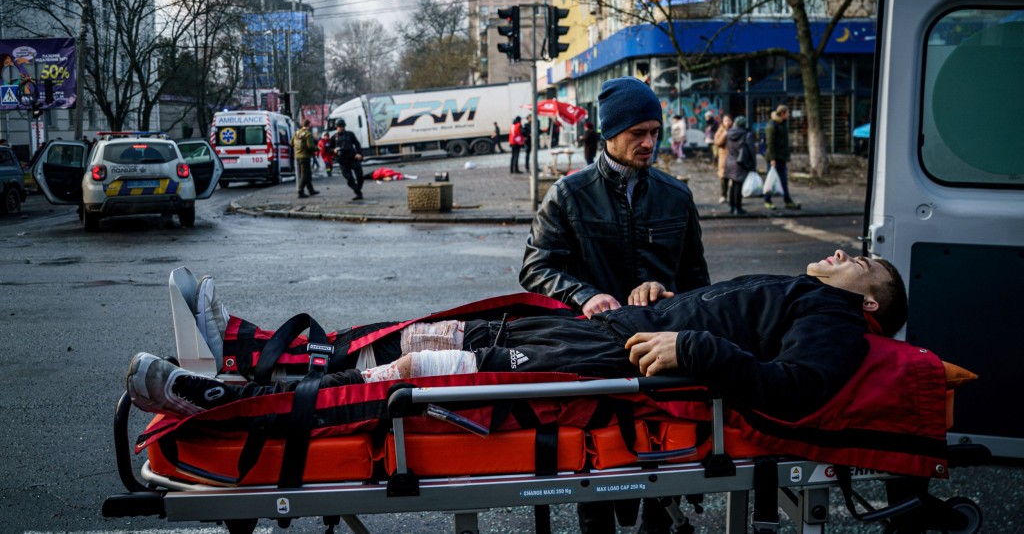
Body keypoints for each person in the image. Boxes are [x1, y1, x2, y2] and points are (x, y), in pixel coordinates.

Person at [127, 248, 908, 431]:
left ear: (871, 306)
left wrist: (693, 350)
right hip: (605, 330)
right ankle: (243, 345)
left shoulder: (836, 324)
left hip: (604, 360)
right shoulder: (810, 296)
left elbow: (798, 392)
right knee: (422, 331)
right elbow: (723, 320)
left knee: (424, 367)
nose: (841, 256)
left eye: (860, 263)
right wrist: (662, 303)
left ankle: (236, 401)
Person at [521, 76, 709, 533]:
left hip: (662, 349)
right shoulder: (568, 194)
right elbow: (535, 268)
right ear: (609, 134)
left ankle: (656, 521)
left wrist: (667, 294)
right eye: (637, 134)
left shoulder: (676, 195)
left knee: (661, 456)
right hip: (595, 349)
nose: (649, 143)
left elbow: (697, 283)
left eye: (654, 131)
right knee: (597, 464)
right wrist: (585, 295)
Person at [764, 104, 800, 210]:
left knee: (783, 180)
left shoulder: (782, 124)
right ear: (782, 113)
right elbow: (770, 143)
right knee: (771, 180)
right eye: (788, 113)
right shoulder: (772, 125)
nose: (789, 115)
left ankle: (787, 200)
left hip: (781, 157)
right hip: (775, 157)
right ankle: (768, 200)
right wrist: (772, 158)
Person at [725, 115, 756, 215]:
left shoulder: (729, 133)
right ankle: (738, 208)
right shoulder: (747, 134)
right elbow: (751, 150)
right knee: (738, 185)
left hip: (730, 161)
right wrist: (753, 164)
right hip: (741, 162)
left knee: (733, 184)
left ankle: (731, 206)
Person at [329, 120, 365, 201]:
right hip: (342, 161)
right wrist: (333, 150)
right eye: (339, 127)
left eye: (342, 127)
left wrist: (360, 154)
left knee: (360, 176)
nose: (341, 128)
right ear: (336, 127)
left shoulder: (350, 134)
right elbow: (329, 148)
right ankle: (358, 193)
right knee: (349, 178)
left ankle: (358, 189)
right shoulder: (334, 137)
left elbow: (357, 144)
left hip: (353, 158)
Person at [291, 119, 319, 199]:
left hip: (299, 156)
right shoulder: (307, 134)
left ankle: (311, 190)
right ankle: (300, 191)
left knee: (308, 174)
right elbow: (310, 146)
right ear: (309, 125)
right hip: (305, 156)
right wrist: (318, 149)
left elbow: (291, 143)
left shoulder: (297, 133)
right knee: (305, 174)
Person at [714, 114, 733, 204]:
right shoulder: (720, 131)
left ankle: (733, 197)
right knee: (723, 177)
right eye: (726, 121)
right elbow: (717, 143)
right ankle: (723, 195)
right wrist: (724, 134)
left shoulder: (734, 130)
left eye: (729, 120)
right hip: (724, 157)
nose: (727, 123)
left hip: (733, 157)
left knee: (733, 178)